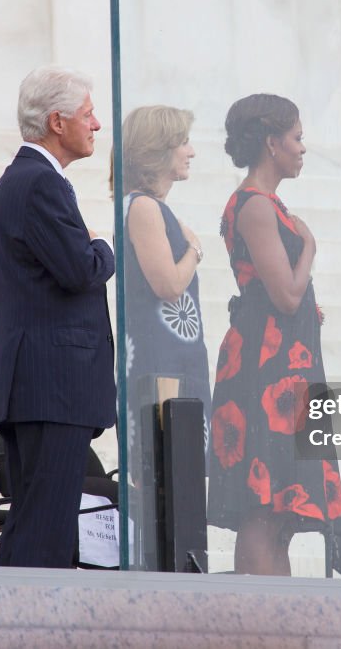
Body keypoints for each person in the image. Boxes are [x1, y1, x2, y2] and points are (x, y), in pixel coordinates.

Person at [0, 65, 115, 568]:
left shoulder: (26, 179)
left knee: (39, 524)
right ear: (57, 123)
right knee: (45, 534)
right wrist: (103, 246)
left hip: (39, 382)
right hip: (51, 384)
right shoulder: (39, 182)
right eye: (88, 114)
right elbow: (80, 269)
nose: (96, 124)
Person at [208, 94, 341, 575]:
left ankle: (279, 625)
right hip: (266, 370)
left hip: (287, 366)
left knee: (282, 512)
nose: (302, 148)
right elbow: (286, 295)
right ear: (271, 142)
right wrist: (309, 246)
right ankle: (252, 626)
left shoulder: (269, 204)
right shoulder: (255, 206)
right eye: (297, 138)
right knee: (263, 504)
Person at [120, 105, 211, 445]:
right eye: (183, 142)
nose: (191, 151)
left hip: (173, 362)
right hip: (161, 366)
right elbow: (169, 286)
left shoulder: (149, 207)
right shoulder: (143, 206)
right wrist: (195, 251)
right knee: (169, 475)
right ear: (159, 149)